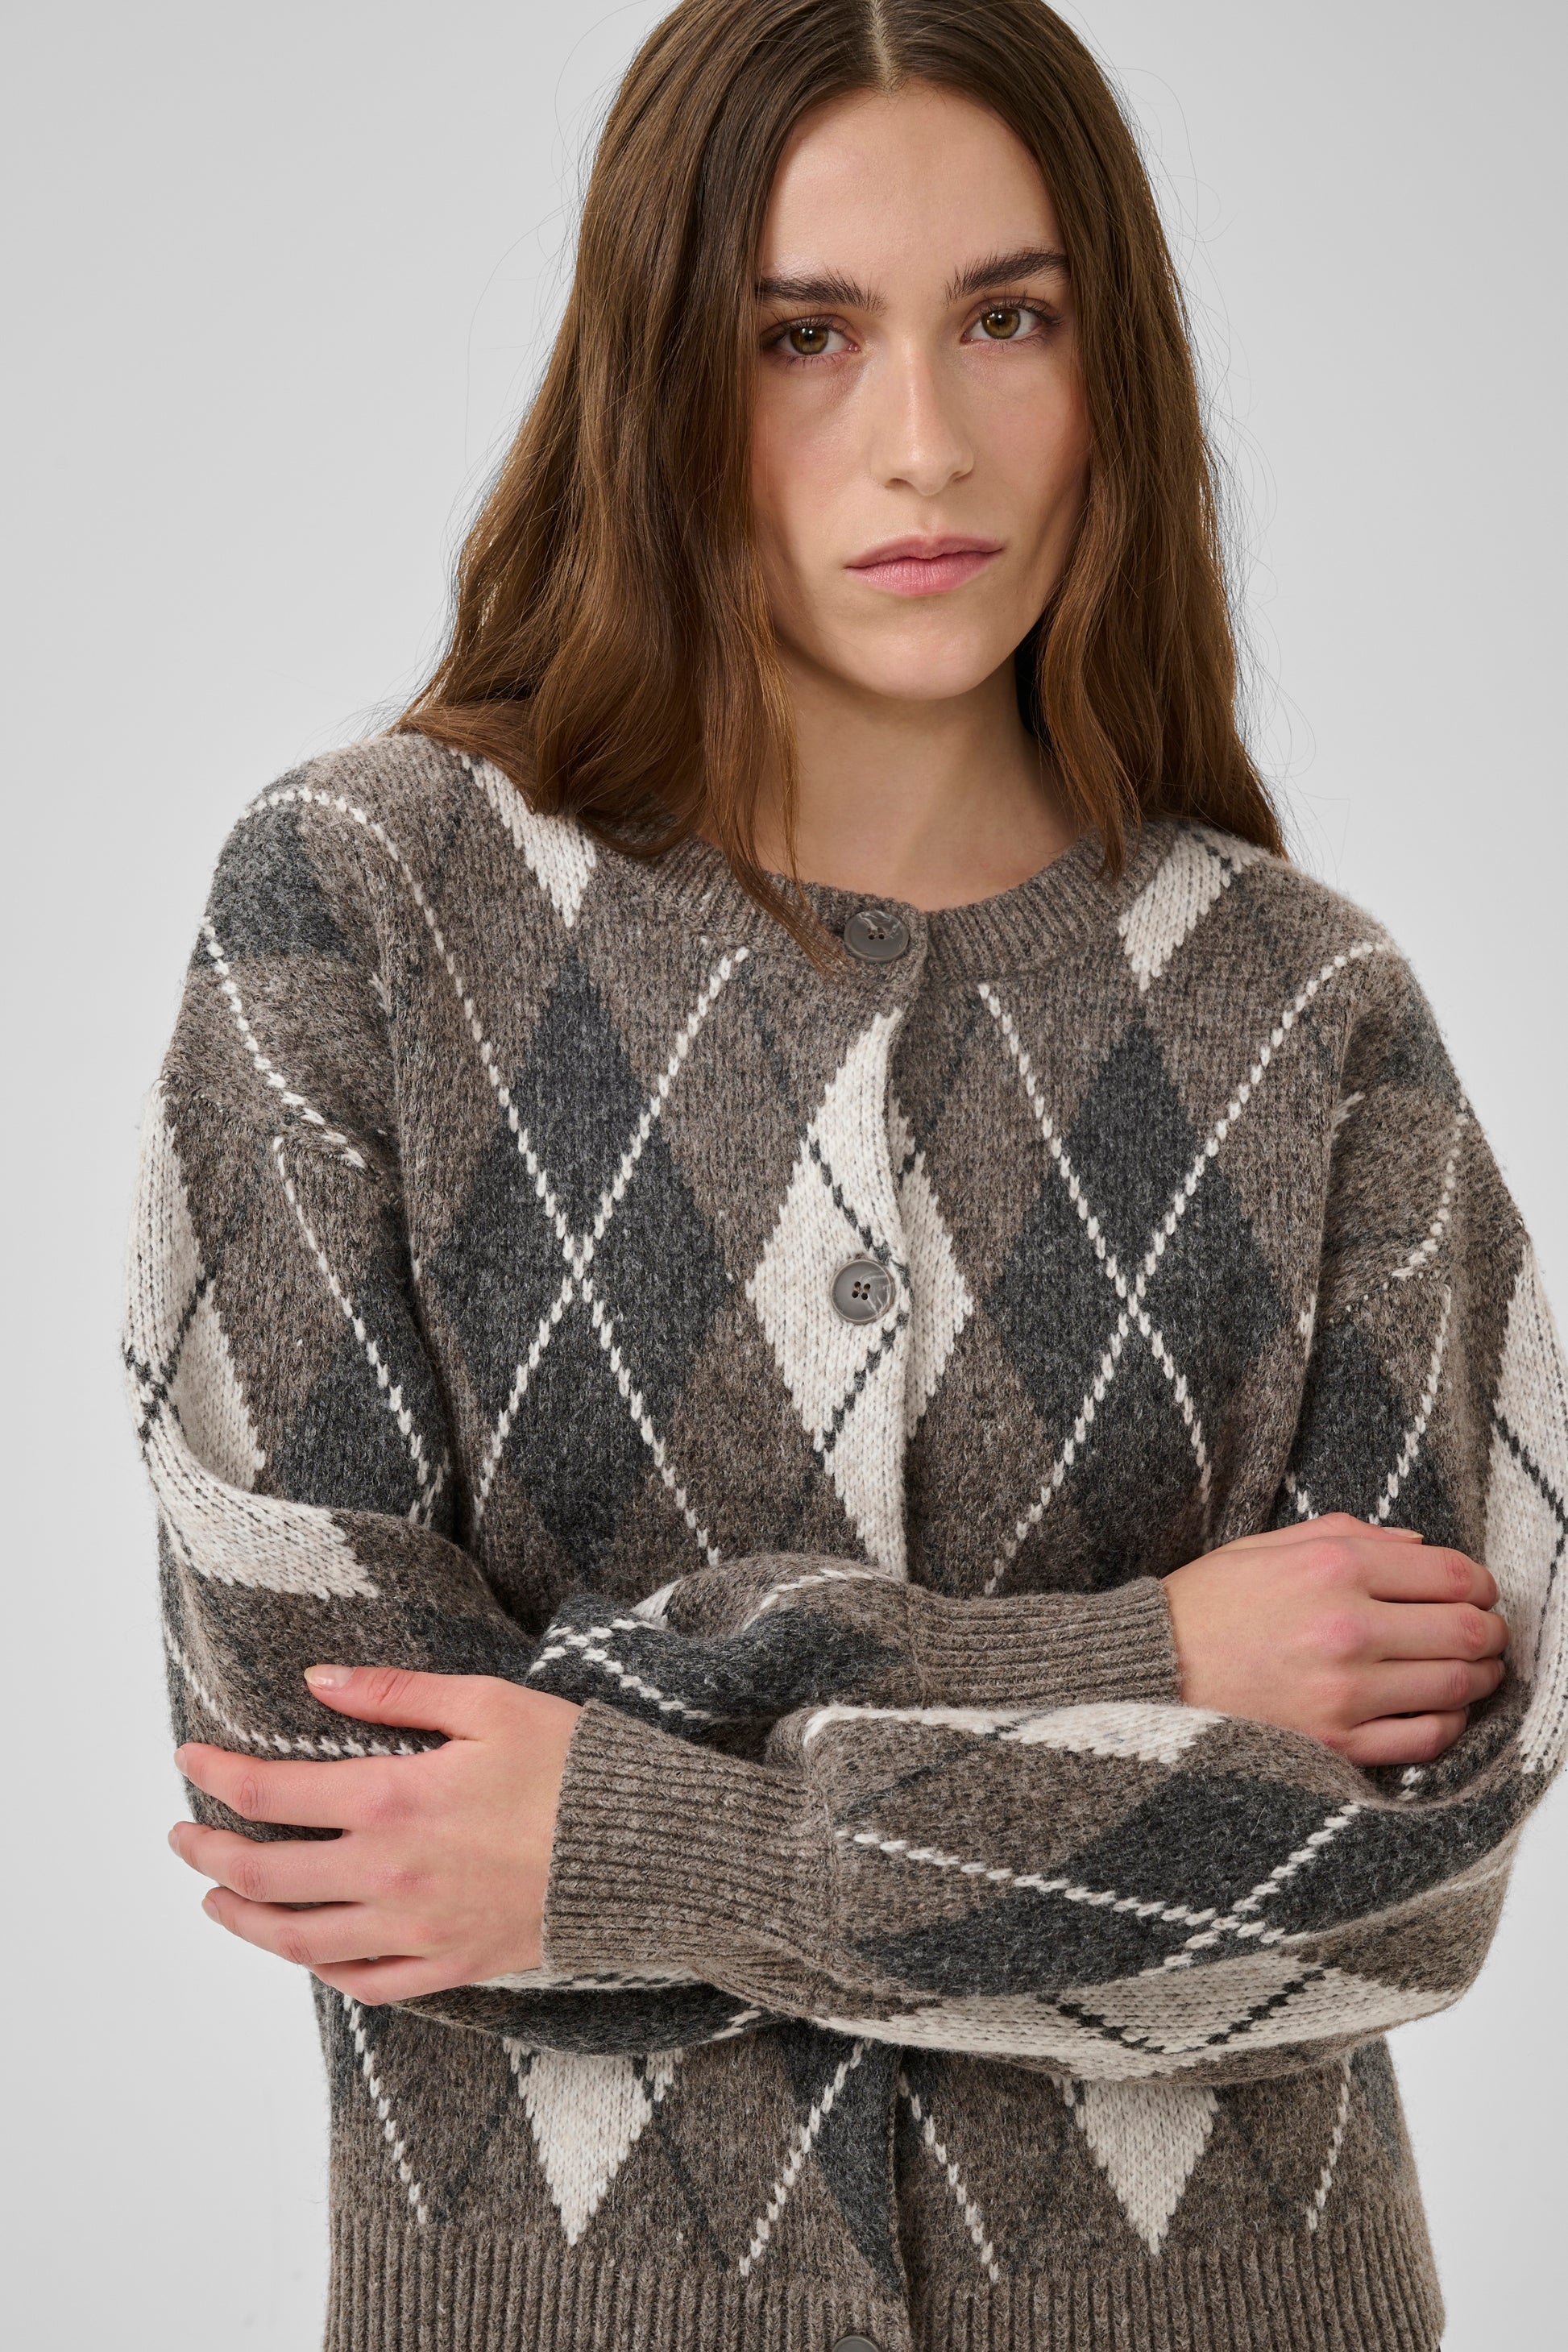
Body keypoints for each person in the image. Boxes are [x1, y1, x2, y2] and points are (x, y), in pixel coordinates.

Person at [124, 3, 1567, 2348]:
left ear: (1117, 366)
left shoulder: (1319, 1021)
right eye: (804, 335)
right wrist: (1141, 1667)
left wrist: (622, 1841)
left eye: (1010, 318)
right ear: (660, 374)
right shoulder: (360, 915)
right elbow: (328, 1781)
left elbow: (1390, 1879)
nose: (924, 440)